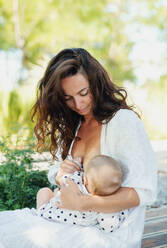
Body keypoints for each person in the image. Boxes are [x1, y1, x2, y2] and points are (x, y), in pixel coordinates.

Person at [0, 48, 157, 248]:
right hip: (62, 219)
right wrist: (59, 173)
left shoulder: (122, 122)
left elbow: (144, 192)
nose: (78, 103)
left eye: (84, 93)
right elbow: (58, 171)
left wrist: (84, 203)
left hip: (105, 233)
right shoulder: (75, 125)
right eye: (68, 98)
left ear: (96, 84)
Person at [36, 155, 128, 233]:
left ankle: (38, 216)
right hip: (73, 228)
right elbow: (109, 227)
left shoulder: (76, 180)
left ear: (86, 179)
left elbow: (64, 179)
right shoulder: (104, 207)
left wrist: (76, 163)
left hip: (50, 215)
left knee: (44, 191)